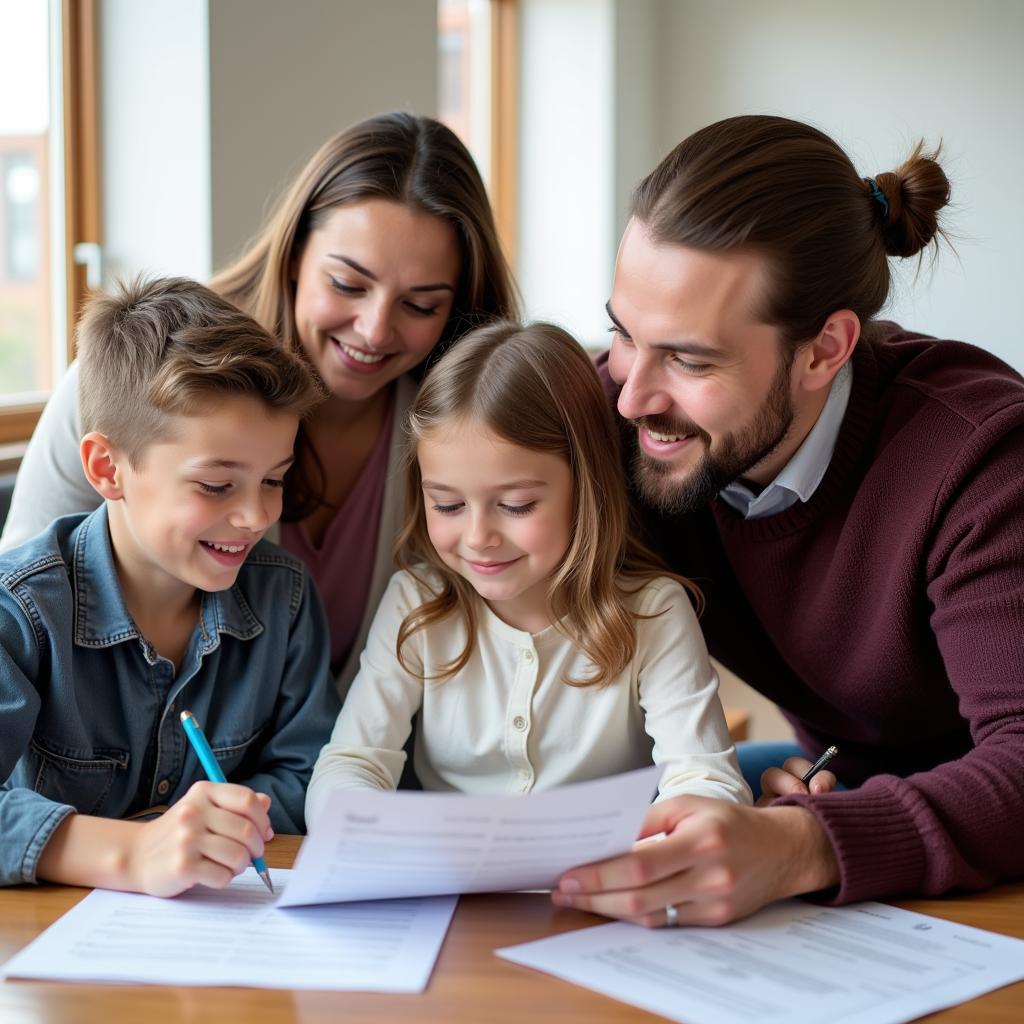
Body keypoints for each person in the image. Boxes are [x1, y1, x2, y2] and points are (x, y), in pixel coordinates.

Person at [550, 114, 1024, 927]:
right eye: (625, 333)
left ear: (824, 350)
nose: (632, 396)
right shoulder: (617, 419)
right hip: (831, 779)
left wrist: (805, 845)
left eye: (690, 359)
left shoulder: (979, 461)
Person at [0, 112, 518, 693]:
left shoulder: (457, 427)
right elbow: (21, 608)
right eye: (347, 285)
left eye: (421, 305)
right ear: (294, 254)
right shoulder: (145, 380)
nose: (374, 330)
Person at [305, 321, 751, 823]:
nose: (478, 537)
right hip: (453, 885)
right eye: (447, 505)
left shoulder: (652, 611)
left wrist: (671, 834)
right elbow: (351, 763)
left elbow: (705, 778)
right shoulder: (417, 602)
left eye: (516, 506)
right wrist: (361, 826)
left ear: (585, 488)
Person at [0, 277, 340, 895]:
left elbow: (307, 775)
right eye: (216, 486)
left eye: (274, 479)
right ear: (108, 468)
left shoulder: (284, 600)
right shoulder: (20, 610)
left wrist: (195, 835)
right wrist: (133, 850)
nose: (258, 517)